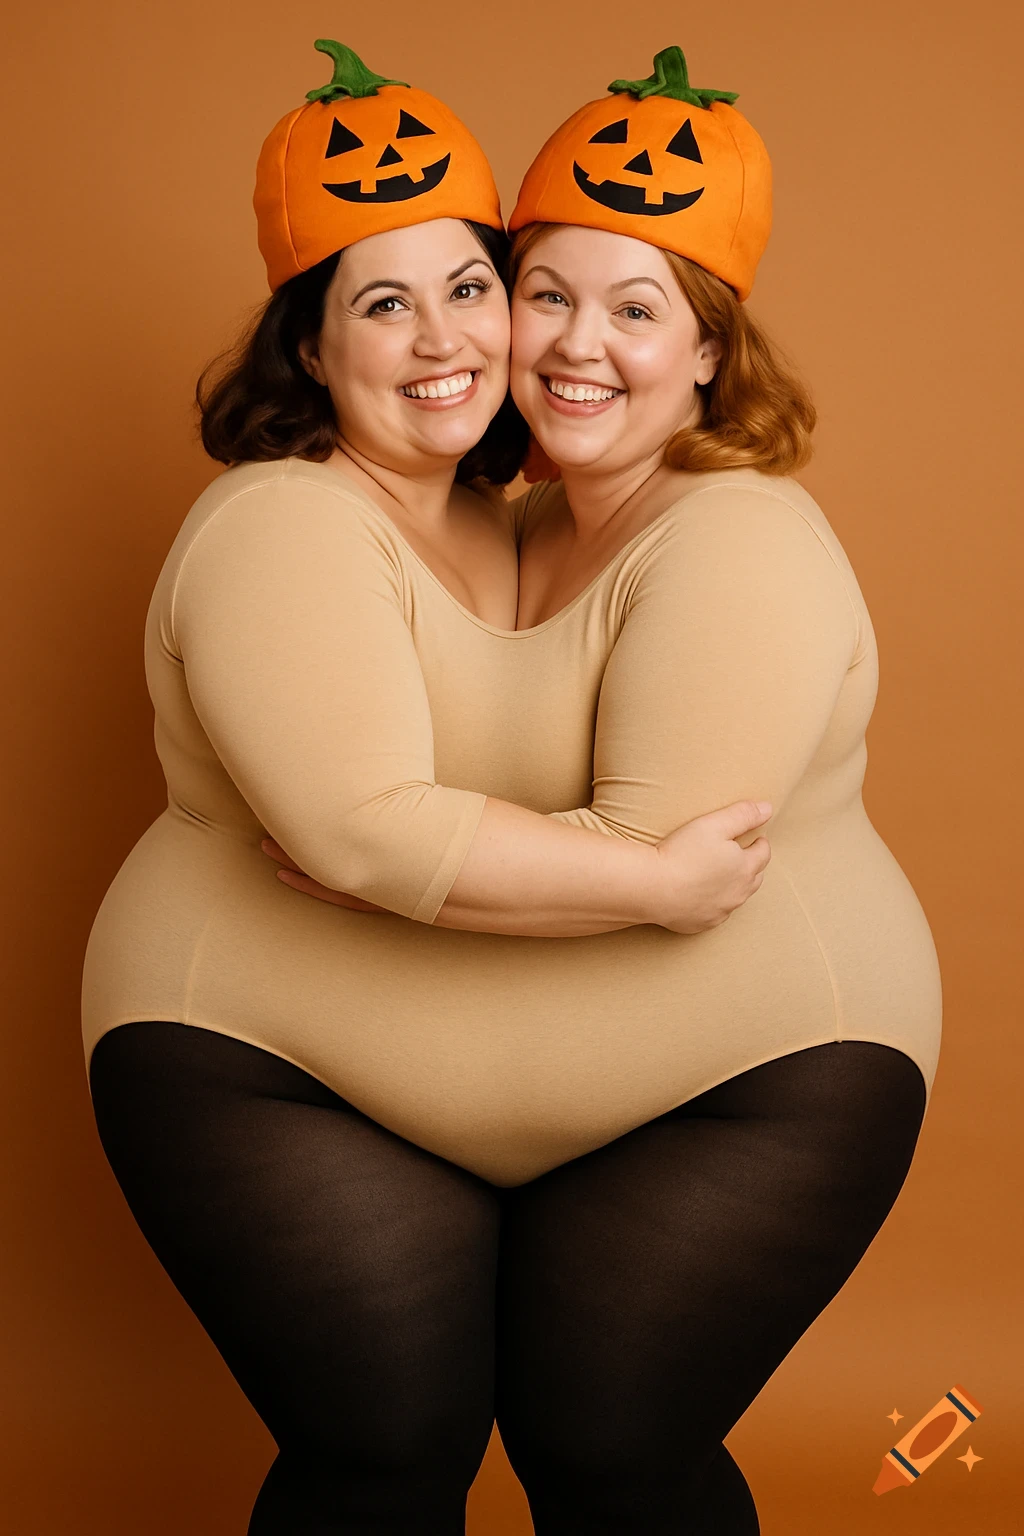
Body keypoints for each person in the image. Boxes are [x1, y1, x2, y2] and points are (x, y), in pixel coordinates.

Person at [82, 40, 775, 1535]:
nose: (443, 336)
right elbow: (361, 833)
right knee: (387, 1454)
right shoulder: (282, 519)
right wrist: (656, 883)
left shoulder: (506, 519)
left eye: (471, 286)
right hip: (259, 1060)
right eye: (382, 303)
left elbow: (447, 820)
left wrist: (429, 875)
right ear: (310, 350)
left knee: (590, 1448)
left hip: (462, 1084)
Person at [259, 45, 943, 1534]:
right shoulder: (523, 526)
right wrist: (383, 838)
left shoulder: (735, 536)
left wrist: (378, 856)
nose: (578, 344)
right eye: (545, 293)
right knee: (490, 1447)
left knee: (613, 1454)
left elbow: (657, 856)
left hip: (754, 1083)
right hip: (559, 1097)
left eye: (638, 310)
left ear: (708, 353)